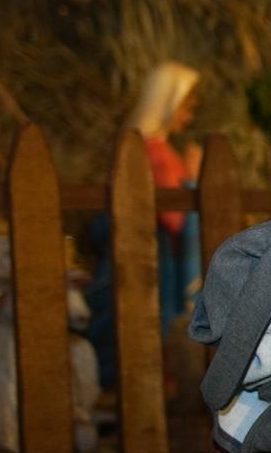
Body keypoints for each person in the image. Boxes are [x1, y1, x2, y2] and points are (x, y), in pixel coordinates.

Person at [86, 61, 203, 387]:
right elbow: (176, 220)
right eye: (185, 107)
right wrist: (193, 178)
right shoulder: (155, 152)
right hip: (157, 270)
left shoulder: (147, 148)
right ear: (166, 103)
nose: (188, 116)